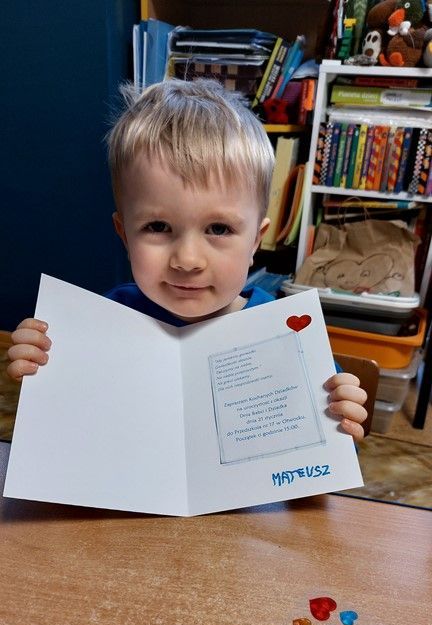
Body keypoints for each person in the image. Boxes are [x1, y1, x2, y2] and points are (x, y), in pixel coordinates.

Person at [7, 78, 367, 439]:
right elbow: (68, 425)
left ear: (256, 240)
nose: (188, 260)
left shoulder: (288, 335)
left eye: (219, 229)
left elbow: (325, 460)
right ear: (124, 235)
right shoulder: (104, 319)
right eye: (158, 226)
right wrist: (43, 369)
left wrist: (342, 421)